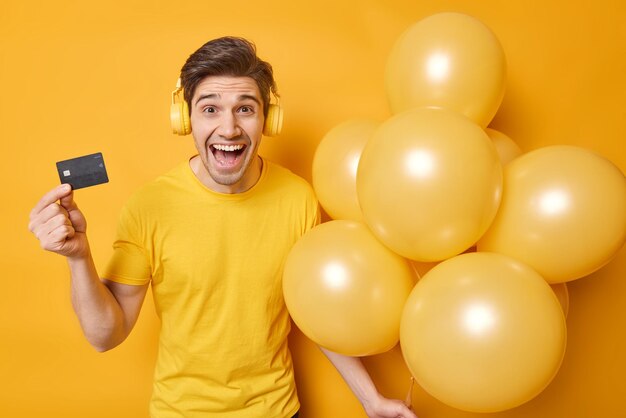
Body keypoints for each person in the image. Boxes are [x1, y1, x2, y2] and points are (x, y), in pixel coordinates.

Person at [28, 36, 417, 418]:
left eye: (245, 109)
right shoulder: (149, 206)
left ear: (268, 119)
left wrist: (371, 400)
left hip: (278, 412)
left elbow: (317, 312)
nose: (228, 129)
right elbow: (104, 335)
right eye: (210, 109)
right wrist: (78, 257)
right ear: (185, 119)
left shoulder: (298, 200)